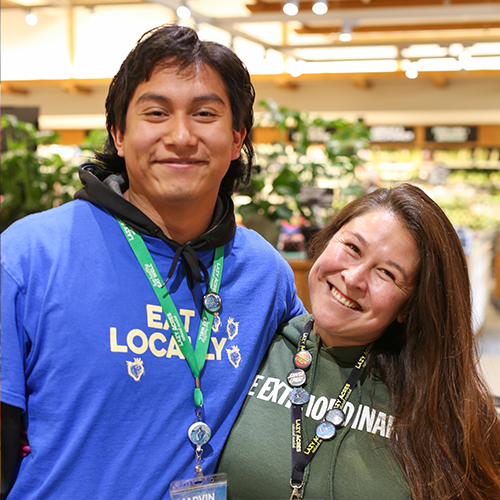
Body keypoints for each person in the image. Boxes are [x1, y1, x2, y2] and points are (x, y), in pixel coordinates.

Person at [1, 24, 305, 499]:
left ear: (236, 137)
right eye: (156, 113)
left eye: (205, 114)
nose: (181, 136)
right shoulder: (30, 255)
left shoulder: (266, 276)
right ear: (119, 134)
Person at [218, 183, 500, 500]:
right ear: (326, 240)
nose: (353, 278)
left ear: (409, 306)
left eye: (386, 273)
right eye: (353, 248)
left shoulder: (443, 403)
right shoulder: (250, 346)